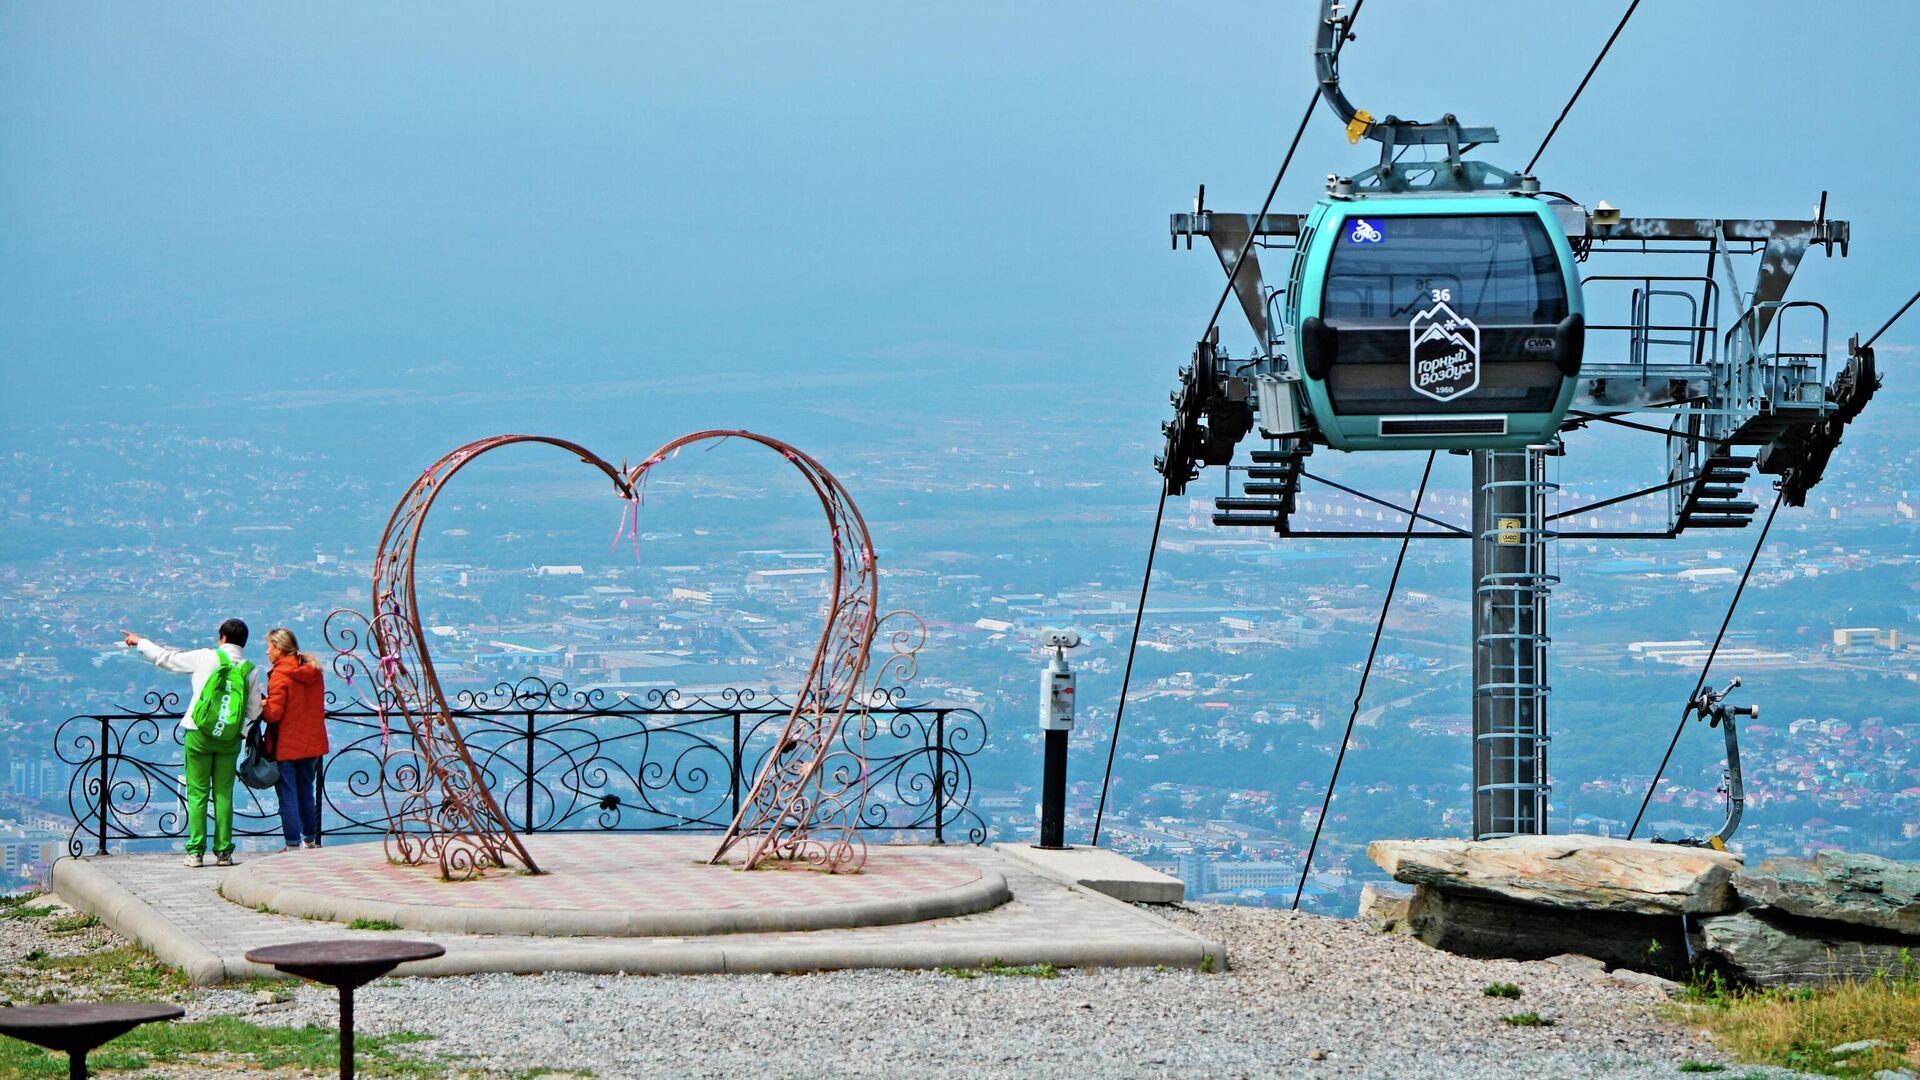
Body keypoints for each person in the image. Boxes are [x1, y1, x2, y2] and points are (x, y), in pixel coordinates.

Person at [122, 619, 263, 867]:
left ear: (222, 638)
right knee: (223, 794)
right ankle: (224, 853)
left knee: (197, 793)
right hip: (230, 738)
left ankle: (196, 852)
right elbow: (253, 712)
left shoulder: (207, 657)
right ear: (244, 642)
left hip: (198, 733)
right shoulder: (250, 670)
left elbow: (167, 659)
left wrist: (139, 641)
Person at [262, 627, 329, 850]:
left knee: (288, 795)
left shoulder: (280, 674)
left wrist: (263, 704)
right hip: (312, 743)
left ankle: (292, 844)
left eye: (269, 647)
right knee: (306, 791)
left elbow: (273, 714)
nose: (267, 652)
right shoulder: (313, 671)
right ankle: (310, 840)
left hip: (286, 745)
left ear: (279, 649)